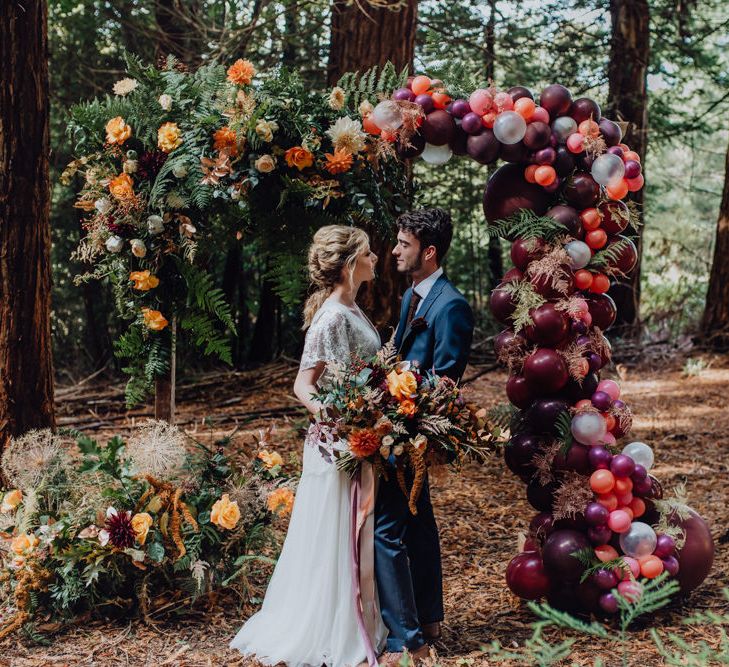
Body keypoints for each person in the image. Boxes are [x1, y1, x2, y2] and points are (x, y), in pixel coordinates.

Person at [230, 225, 388, 667]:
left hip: (355, 437)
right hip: (339, 443)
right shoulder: (332, 317)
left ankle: (359, 619)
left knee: (349, 537)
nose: (375, 259)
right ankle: (335, 628)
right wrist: (341, 421)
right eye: (369, 254)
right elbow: (304, 383)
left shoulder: (350, 308)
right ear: (349, 264)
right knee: (336, 537)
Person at [374, 208, 474, 663]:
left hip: (411, 431)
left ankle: (406, 639)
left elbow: (446, 379)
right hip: (394, 422)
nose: (394, 250)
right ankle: (429, 618)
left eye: (403, 244)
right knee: (418, 524)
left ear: (428, 251)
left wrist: (402, 407)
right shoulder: (411, 297)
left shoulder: (451, 305)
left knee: (387, 531)